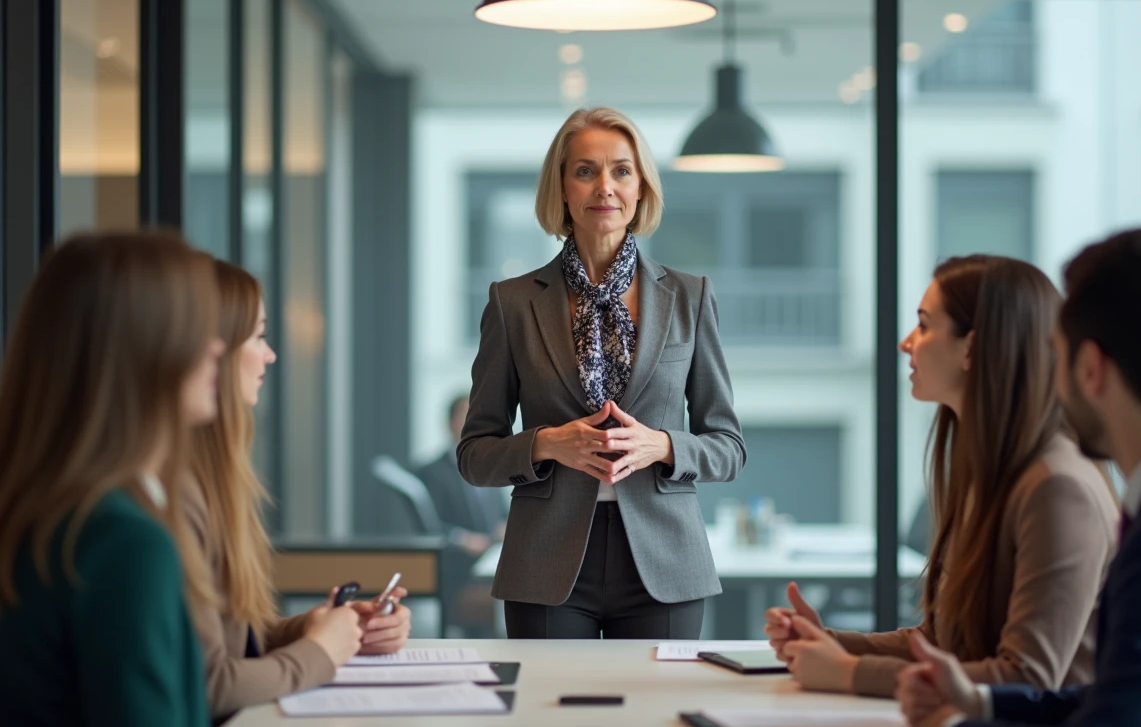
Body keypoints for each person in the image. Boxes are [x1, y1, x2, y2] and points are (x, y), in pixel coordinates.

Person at [766, 255, 1119, 698]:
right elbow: (941, 645)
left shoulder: (1057, 488)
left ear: (972, 348)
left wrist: (850, 673)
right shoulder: (993, 474)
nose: (906, 343)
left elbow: (1027, 678)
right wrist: (831, 644)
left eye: (924, 325)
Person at [458, 106, 746, 639]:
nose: (604, 187)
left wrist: (661, 445)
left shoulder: (689, 296)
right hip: (545, 562)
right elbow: (474, 456)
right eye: (585, 171)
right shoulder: (512, 303)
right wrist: (546, 444)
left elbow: (728, 447)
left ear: (640, 188)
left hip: (666, 561)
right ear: (562, 188)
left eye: (621, 170)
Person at [897, 228, 1141, 727]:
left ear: (1090, 368)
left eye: (1056, 352)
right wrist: (979, 704)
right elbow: (1112, 693)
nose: (1045, 374)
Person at [0, 232, 223, 726]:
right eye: (198, 328)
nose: (217, 346)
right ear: (144, 349)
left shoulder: (43, 516)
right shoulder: (124, 543)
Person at [183, 259, 412, 722]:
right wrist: (319, 652)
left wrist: (318, 630)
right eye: (258, 336)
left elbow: (230, 644)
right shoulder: (169, 497)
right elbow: (209, 682)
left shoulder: (208, 479)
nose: (269, 355)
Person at [415, 394, 506, 633]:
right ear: (450, 423)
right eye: (465, 416)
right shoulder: (431, 472)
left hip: (493, 564)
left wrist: (505, 526)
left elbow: (504, 513)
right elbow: (429, 526)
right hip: (458, 570)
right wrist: (462, 539)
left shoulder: (490, 465)